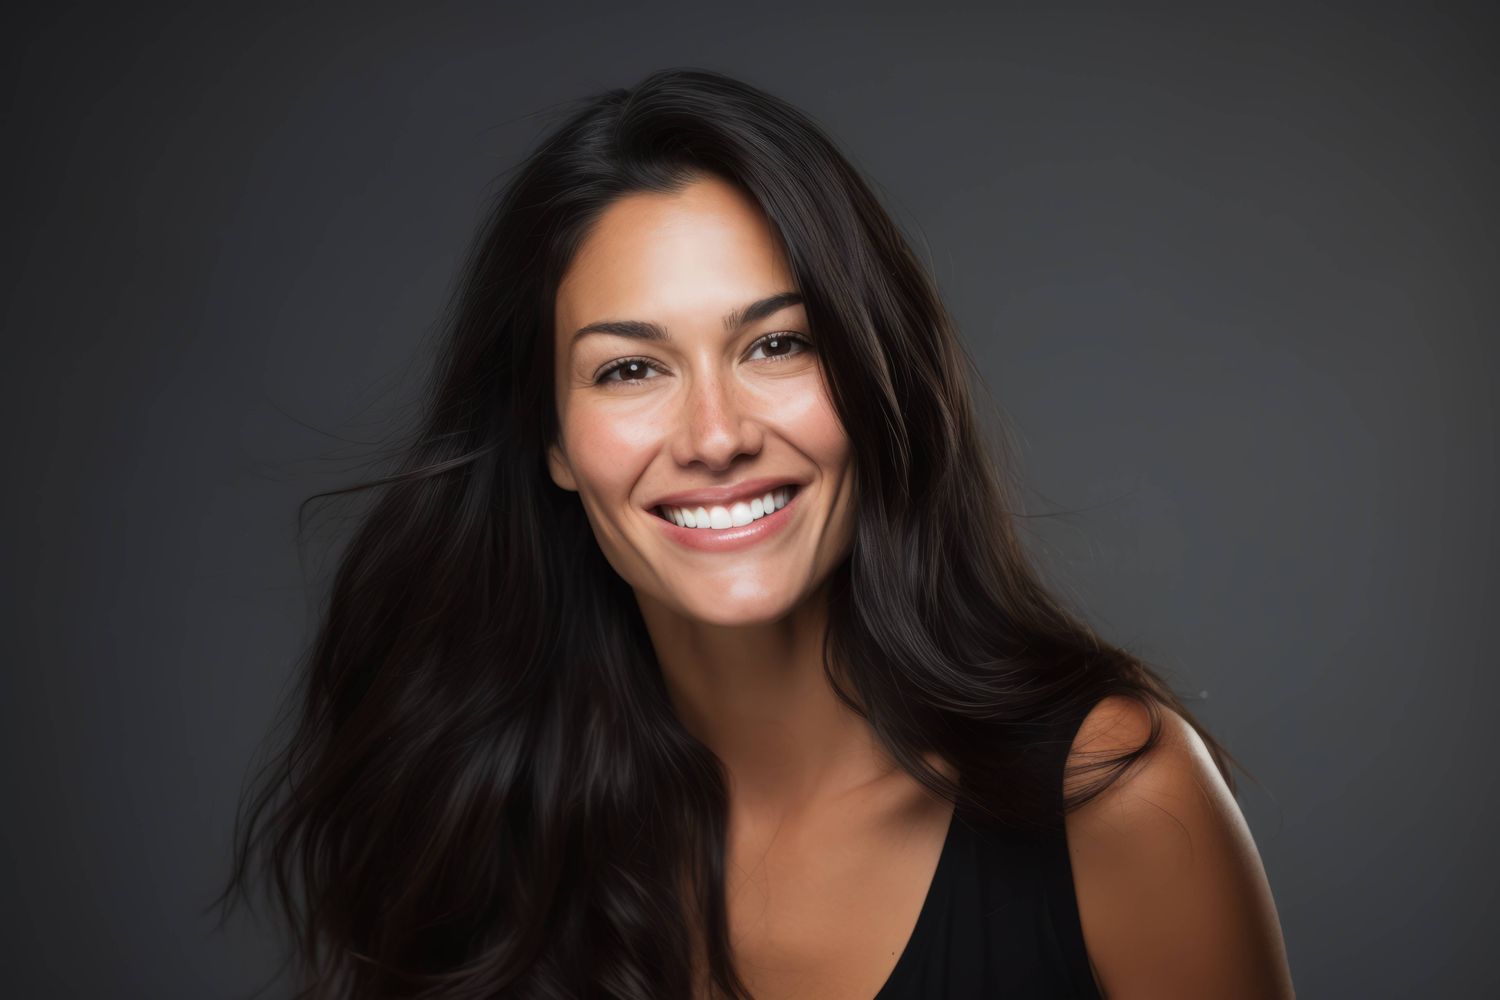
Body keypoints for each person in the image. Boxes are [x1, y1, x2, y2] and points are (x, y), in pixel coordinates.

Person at [217, 68, 1295, 999]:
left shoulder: (1114, 796)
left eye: (776, 345)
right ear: (550, 439)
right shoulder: (473, 832)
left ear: (873, 377)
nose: (717, 435)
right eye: (630, 368)